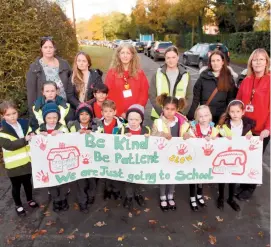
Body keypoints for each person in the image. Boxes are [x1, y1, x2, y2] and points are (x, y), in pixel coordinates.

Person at [235, 48, 270, 200]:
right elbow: (237, 103)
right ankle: (243, 183)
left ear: (266, 62)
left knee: (255, 159)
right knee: (244, 156)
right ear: (251, 62)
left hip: (261, 130)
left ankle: (250, 187)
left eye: (261, 59)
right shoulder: (246, 81)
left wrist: (268, 128)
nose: (258, 62)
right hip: (245, 128)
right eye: (255, 59)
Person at [0, 101, 39, 216]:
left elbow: (31, 132)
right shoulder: (2, 130)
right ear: (3, 116)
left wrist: (32, 134)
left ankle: (30, 199)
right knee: (16, 187)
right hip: (14, 166)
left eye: (14, 113)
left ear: (17, 112)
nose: (12, 116)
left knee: (28, 183)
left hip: (27, 161)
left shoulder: (24, 123)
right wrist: (25, 139)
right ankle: (18, 205)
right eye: (8, 115)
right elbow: (10, 146)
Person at [151, 93, 189, 211]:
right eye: (167, 108)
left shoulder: (183, 121)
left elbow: (188, 133)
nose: (169, 112)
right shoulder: (158, 122)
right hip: (163, 154)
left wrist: (188, 135)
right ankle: (163, 196)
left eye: (172, 109)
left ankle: (170, 195)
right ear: (162, 108)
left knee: (173, 174)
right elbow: (152, 136)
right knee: (164, 174)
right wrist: (161, 134)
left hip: (176, 154)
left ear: (177, 109)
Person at [216, 100, 255, 211]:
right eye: (232, 111)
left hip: (237, 158)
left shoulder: (246, 126)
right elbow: (216, 135)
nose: (235, 114)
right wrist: (222, 137)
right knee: (222, 178)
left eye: (238, 111)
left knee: (234, 178)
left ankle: (231, 199)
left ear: (243, 112)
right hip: (226, 156)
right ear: (229, 112)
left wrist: (249, 138)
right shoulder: (224, 125)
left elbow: (250, 138)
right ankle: (221, 197)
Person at [183, 105, 218, 211]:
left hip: (206, 159)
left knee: (202, 178)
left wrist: (212, 139)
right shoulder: (193, 128)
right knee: (193, 178)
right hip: (195, 158)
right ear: (197, 118)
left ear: (210, 116)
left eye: (206, 115)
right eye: (201, 116)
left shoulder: (214, 130)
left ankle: (199, 194)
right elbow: (187, 137)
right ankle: (192, 197)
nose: (203, 118)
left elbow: (218, 142)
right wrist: (186, 136)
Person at [187, 50, 237, 124]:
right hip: (205, 118)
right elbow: (196, 100)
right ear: (210, 63)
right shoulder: (203, 77)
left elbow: (230, 100)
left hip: (221, 119)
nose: (215, 63)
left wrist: (228, 117)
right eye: (213, 61)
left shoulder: (229, 79)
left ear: (222, 62)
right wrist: (190, 117)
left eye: (218, 60)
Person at [36, 101, 69, 212]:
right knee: (52, 182)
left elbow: (70, 139)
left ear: (58, 117)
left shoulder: (62, 128)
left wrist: (60, 134)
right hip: (48, 162)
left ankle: (63, 199)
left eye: (55, 117)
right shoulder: (40, 129)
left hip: (61, 161)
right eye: (49, 118)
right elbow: (34, 142)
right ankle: (56, 200)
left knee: (63, 181)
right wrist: (39, 135)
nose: (52, 120)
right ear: (45, 118)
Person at [117, 104, 150, 209]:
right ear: (127, 119)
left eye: (136, 119)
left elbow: (153, 145)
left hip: (140, 160)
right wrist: (122, 137)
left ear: (141, 120)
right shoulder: (123, 130)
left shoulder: (146, 130)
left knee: (139, 179)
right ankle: (129, 196)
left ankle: (138, 194)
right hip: (128, 160)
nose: (133, 122)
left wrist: (149, 139)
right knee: (128, 180)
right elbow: (115, 142)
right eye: (131, 119)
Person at [26, 37, 71, 114]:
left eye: (51, 47)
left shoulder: (64, 64)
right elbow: (31, 93)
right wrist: (33, 112)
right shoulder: (35, 67)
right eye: (45, 47)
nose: (48, 49)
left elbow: (71, 84)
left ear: (54, 48)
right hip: (45, 108)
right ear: (41, 49)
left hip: (64, 106)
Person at [68, 103, 98, 213]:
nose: (84, 116)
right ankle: (82, 202)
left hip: (93, 160)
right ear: (78, 116)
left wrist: (94, 133)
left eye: (87, 114)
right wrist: (75, 134)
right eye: (81, 114)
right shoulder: (72, 127)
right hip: (78, 162)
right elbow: (66, 140)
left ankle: (91, 196)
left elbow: (103, 139)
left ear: (91, 116)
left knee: (92, 182)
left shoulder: (96, 127)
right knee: (80, 183)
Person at [105, 43, 149, 118]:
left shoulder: (139, 73)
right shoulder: (111, 73)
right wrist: (119, 112)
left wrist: (136, 110)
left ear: (132, 55)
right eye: (122, 53)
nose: (125, 56)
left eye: (128, 53)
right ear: (118, 55)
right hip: (117, 114)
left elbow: (144, 93)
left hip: (136, 115)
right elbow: (109, 94)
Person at [149, 45, 193, 119]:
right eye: (168, 58)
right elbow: (152, 95)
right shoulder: (157, 74)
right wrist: (163, 112)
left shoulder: (186, 75)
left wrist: (180, 113)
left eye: (173, 57)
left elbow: (189, 96)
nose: (171, 60)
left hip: (179, 116)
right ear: (165, 59)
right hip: (160, 116)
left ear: (178, 57)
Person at [97, 100, 124, 200]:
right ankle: (107, 190)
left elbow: (124, 136)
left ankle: (116, 190)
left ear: (115, 112)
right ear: (102, 113)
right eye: (106, 111)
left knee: (116, 172)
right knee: (106, 173)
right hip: (104, 153)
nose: (108, 114)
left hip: (116, 153)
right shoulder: (98, 124)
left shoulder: (120, 125)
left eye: (110, 111)